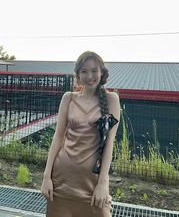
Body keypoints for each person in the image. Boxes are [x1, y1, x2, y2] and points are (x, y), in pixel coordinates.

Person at [41, 51, 120, 217]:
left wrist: (103, 182)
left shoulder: (111, 99)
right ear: (77, 74)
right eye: (84, 71)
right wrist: (46, 177)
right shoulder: (68, 98)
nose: (89, 76)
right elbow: (58, 137)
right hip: (61, 182)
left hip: (92, 185)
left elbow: (109, 142)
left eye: (94, 71)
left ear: (102, 73)